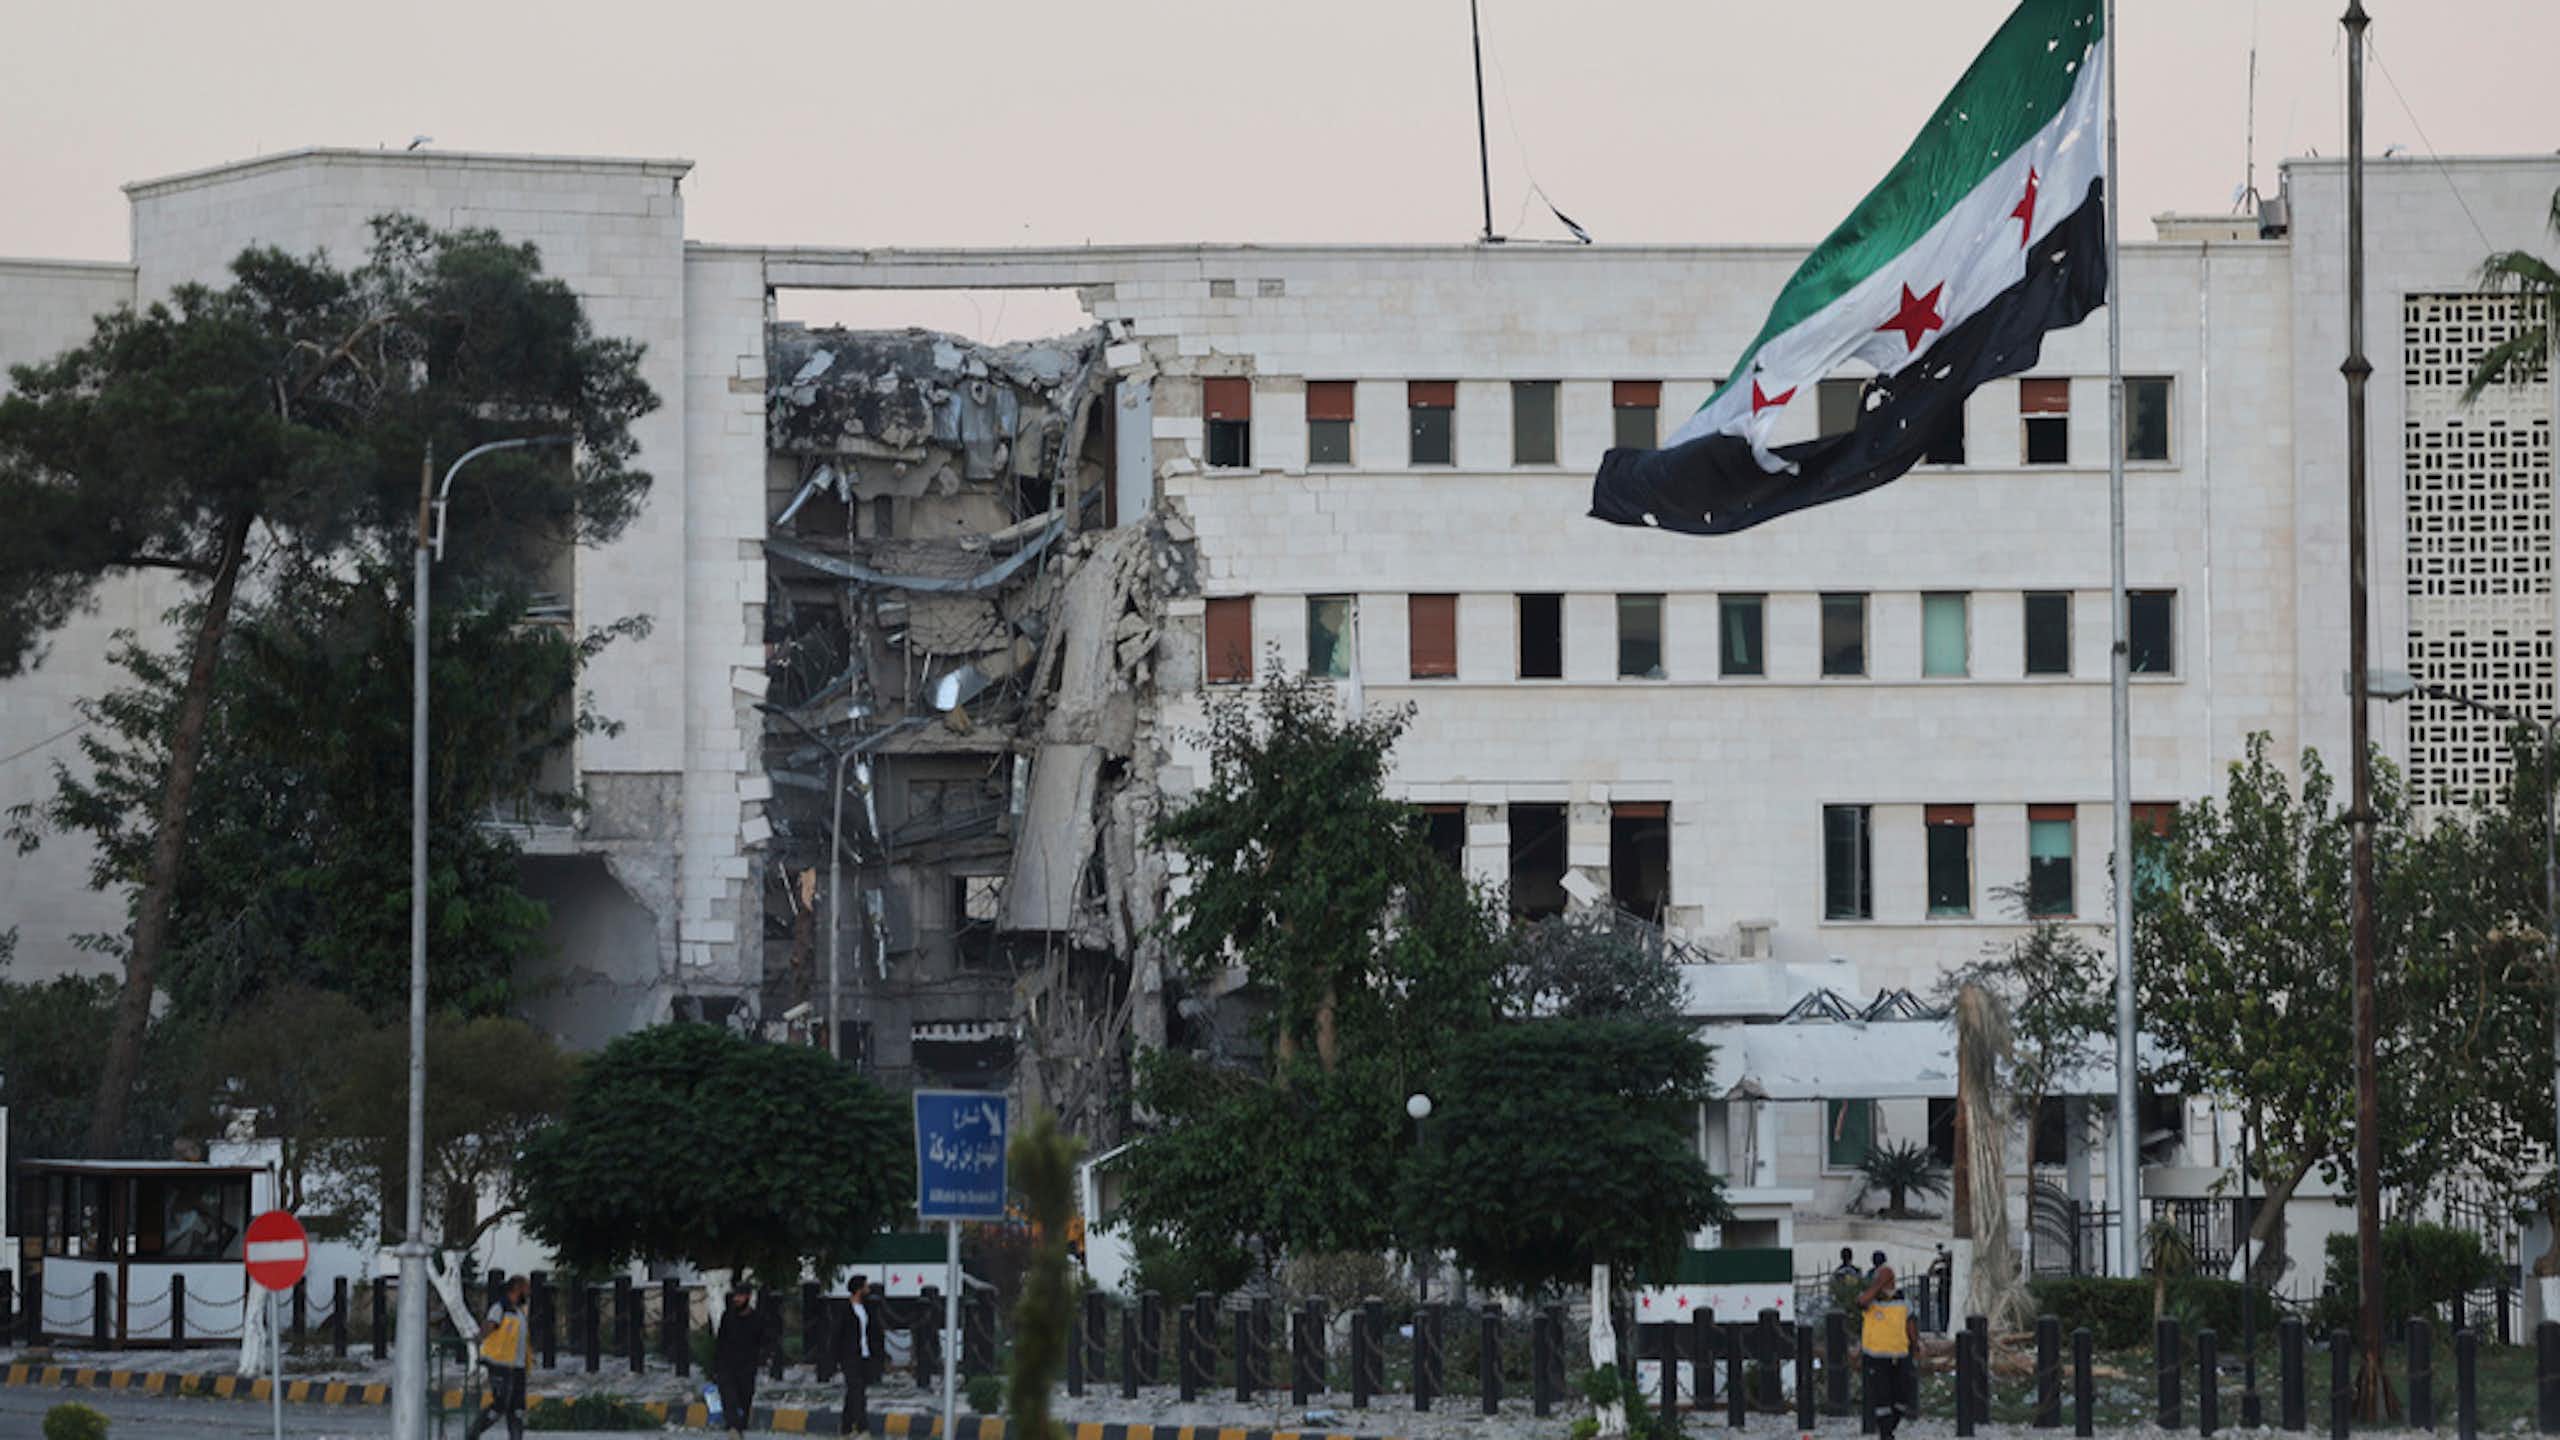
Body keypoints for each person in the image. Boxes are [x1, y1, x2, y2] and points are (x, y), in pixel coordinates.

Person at [1856, 1252, 1916, 1440]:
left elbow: (1911, 1324)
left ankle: (1890, 1427)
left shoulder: (1903, 1300)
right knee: (1882, 1398)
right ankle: (1885, 1434)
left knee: (1902, 1397)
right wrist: (1878, 1285)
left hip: (1900, 1354)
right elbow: (1861, 1302)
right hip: (1876, 1357)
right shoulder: (1871, 1300)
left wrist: (1916, 1345)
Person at [468, 1275, 531, 1440]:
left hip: (517, 1367)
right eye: (526, 1289)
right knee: (500, 1405)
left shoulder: (519, 1311)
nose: (528, 1293)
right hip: (500, 1364)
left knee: (517, 1409)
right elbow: (490, 1325)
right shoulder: (500, 1308)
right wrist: (479, 1339)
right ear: (516, 1289)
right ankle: (471, 1435)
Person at [713, 1281, 768, 1439]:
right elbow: (720, 1342)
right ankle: (733, 1427)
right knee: (728, 1396)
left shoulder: (757, 1319)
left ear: (748, 1297)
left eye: (740, 1296)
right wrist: (716, 1366)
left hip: (747, 1367)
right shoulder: (727, 1317)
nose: (737, 1299)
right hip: (727, 1365)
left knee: (744, 1398)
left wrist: (763, 1359)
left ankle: (740, 1425)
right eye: (735, 1296)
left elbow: (763, 1341)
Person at [833, 1275, 886, 1437]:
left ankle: (846, 1427)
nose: (868, 1290)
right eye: (865, 1287)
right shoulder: (844, 1310)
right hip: (849, 1357)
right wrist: (835, 1359)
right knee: (858, 1392)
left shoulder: (867, 1308)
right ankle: (863, 1428)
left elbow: (873, 1332)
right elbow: (837, 1335)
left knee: (854, 1392)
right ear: (858, 1290)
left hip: (865, 1355)